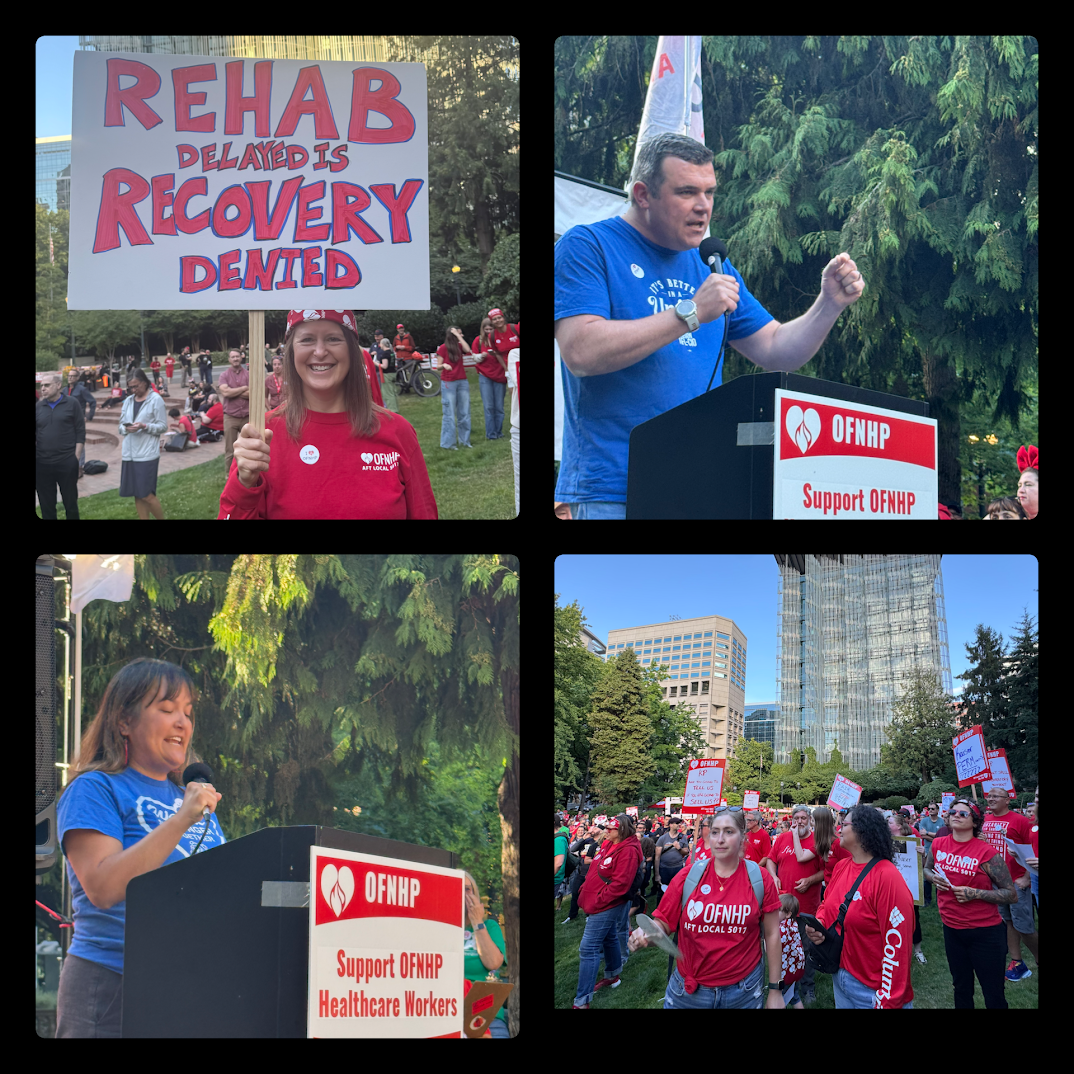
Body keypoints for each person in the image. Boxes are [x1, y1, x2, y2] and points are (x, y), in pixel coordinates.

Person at [553, 130, 864, 518]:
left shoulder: (711, 263)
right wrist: (690, 313)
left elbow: (775, 349)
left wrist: (828, 305)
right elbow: (581, 350)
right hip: (615, 489)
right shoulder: (588, 246)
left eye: (710, 192)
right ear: (643, 194)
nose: (703, 207)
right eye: (686, 192)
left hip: (698, 483)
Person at [55, 659, 227, 1037]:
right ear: (124, 722)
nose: (182, 722)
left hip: (189, 987)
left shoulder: (196, 801)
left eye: (188, 712)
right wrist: (182, 819)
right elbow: (103, 887)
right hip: (113, 982)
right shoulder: (96, 789)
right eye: (167, 710)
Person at [219, 309, 437, 519]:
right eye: (307, 340)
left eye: (333, 339)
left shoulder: (397, 431)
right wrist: (244, 483)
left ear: (352, 351)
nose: (320, 351)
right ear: (291, 352)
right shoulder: (262, 434)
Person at [628, 807, 784, 1009]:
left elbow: (772, 935)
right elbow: (662, 923)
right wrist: (647, 932)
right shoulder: (688, 877)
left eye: (729, 832)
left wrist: (775, 990)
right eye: (715, 831)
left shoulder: (760, 879)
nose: (720, 839)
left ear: (742, 836)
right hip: (688, 993)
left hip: (743, 992)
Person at [804, 805, 914, 1008]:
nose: (838, 828)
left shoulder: (887, 877)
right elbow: (827, 903)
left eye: (844, 824)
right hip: (841, 978)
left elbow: (898, 943)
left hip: (874, 990)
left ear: (862, 831)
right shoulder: (841, 867)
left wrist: (888, 999)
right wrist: (819, 923)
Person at [923, 796, 1015, 1008]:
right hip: (952, 929)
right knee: (961, 988)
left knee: (993, 993)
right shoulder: (938, 844)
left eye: (963, 813)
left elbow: (1011, 894)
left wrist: (975, 893)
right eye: (953, 812)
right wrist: (931, 877)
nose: (955, 815)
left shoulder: (987, 852)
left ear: (974, 821)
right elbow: (927, 868)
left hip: (986, 933)